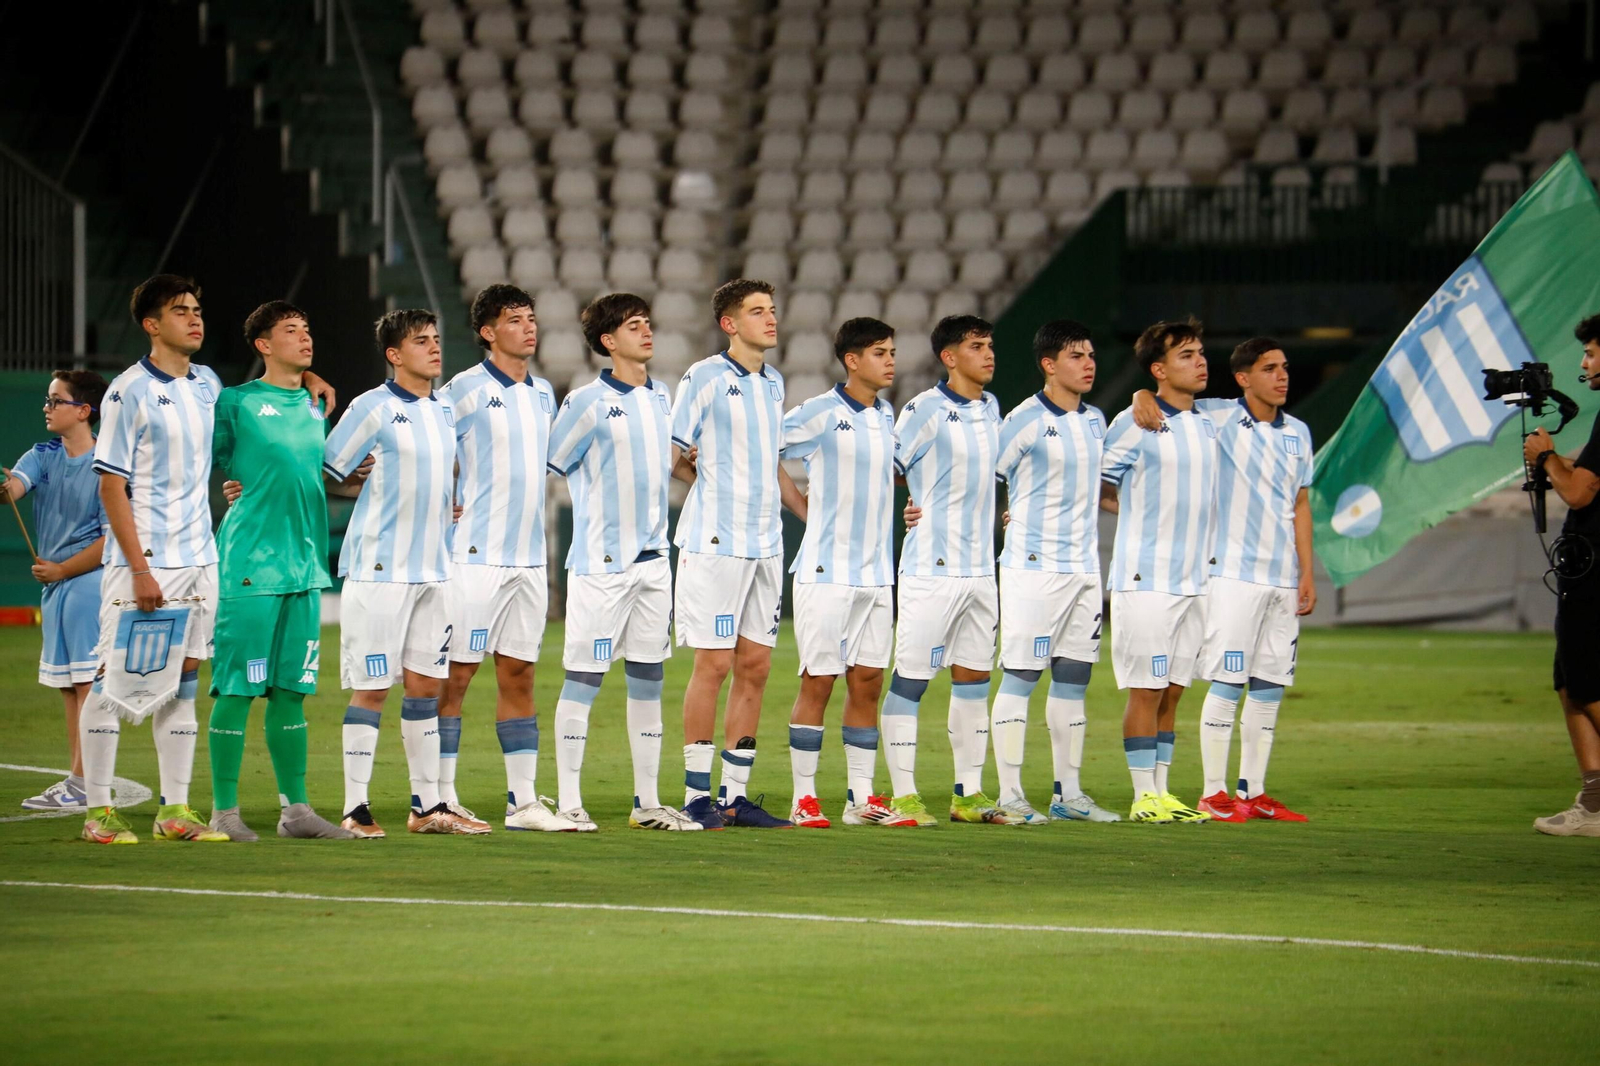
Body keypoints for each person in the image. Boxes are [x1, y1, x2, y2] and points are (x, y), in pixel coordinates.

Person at [1131, 338, 1315, 823]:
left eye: (1284, 367)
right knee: (1228, 681)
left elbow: (1300, 503)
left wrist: (1306, 572)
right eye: (1269, 368)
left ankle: (1253, 791)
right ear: (1243, 378)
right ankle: (1213, 793)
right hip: (1231, 574)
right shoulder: (1216, 416)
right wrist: (1140, 395)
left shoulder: (1299, 432)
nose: (1282, 376)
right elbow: (1161, 399)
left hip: (1282, 578)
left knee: (1270, 687)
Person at [324, 310, 487, 837]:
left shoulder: (443, 410)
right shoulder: (370, 407)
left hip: (434, 570)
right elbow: (325, 471)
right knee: (372, 688)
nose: (435, 348)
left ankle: (426, 807)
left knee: (424, 688)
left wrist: (443, 506)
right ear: (394, 355)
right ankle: (355, 808)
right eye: (421, 341)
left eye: (436, 339)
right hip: (380, 571)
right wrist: (358, 483)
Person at [545, 292, 699, 831]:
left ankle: (647, 803)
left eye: (647, 323)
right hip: (602, 564)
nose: (647, 331)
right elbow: (553, 462)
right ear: (608, 341)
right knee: (584, 679)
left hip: (655, 561)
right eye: (634, 325)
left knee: (648, 679)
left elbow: (667, 464)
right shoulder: (585, 402)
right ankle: (569, 802)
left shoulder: (662, 395)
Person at [205, 301, 354, 841]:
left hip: (305, 566)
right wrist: (233, 484)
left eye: (307, 328)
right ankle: (224, 812)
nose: (305, 337)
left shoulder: (317, 404)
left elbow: (312, 471)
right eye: (291, 330)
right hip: (250, 564)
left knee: (292, 690)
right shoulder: (236, 401)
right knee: (237, 689)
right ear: (263, 345)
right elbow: (217, 461)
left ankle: (296, 812)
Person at [670, 279, 807, 829]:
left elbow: (772, 463)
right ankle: (696, 797)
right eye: (757, 311)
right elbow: (672, 452)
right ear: (730, 324)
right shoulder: (703, 377)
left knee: (756, 666)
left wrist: (807, 513)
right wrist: (710, 486)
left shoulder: (774, 382)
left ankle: (735, 796)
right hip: (715, 544)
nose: (770, 319)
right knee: (714, 665)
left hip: (765, 544)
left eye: (771, 310)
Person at [438, 285, 574, 832]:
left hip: (529, 558)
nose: (529, 327)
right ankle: (440, 796)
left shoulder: (543, 393)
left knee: (519, 673)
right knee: (457, 675)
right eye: (515, 320)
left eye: (531, 318)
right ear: (488, 332)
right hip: (475, 555)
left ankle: (522, 802)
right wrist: (441, 502)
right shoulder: (463, 389)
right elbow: (429, 446)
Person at [889, 315, 1028, 826]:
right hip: (932, 568)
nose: (989, 354)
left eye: (990, 345)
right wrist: (910, 503)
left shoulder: (993, 409)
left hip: (980, 571)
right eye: (976, 346)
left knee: (973, 682)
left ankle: (967, 795)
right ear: (949, 357)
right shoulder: (923, 409)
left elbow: (1000, 472)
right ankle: (904, 797)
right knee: (911, 682)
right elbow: (887, 465)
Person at [780, 318, 914, 828]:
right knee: (819, 682)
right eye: (880, 352)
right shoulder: (818, 413)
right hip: (826, 571)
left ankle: (860, 799)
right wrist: (802, 509)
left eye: (892, 351)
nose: (890, 360)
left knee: (868, 683)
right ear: (852, 361)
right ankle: (803, 798)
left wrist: (909, 507)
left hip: (876, 574)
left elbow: (889, 475)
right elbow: (764, 452)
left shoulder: (886, 415)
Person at [991, 320, 1120, 824]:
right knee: (1022, 675)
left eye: (1091, 355)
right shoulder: (1023, 420)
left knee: (1073, 679)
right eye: (1076, 356)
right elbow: (983, 476)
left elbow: (1097, 488)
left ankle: (1069, 795)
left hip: (1084, 569)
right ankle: (1009, 794)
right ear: (1049, 365)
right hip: (1033, 568)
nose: (1089, 364)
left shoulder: (1096, 421)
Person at [1100, 318, 1217, 824]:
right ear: (1159, 369)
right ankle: (1142, 795)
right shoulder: (1135, 422)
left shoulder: (1210, 421)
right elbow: (1098, 482)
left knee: (1173, 689)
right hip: (1145, 577)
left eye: (1200, 352)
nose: (1201, 361)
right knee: (1146, 689)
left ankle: (1164, 792)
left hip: (1194, 580)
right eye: (1186, 355)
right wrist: (1140, 396)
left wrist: (1144, 392)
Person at [3, 370, 108, 811]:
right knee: (71, 685)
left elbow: (111, 541)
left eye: (55, 400)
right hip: (57, 585)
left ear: (83, 410)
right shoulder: (42, 454)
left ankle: (87, 782)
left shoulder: (106, 462)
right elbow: (13, 488)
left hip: (88, 584)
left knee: (86, 684)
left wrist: (63, 568)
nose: (47, 408)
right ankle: (79, 779)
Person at [1523, 312, 1600, 837]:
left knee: (1586, 683)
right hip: (1585, 568)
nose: (1584, 363)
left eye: (1591, 353)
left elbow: (1578, 493)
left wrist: (1547, 456)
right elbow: (1587, 478)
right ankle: (1594, 802)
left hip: (1595, 570)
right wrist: (1556, 463)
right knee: (1571, 683)